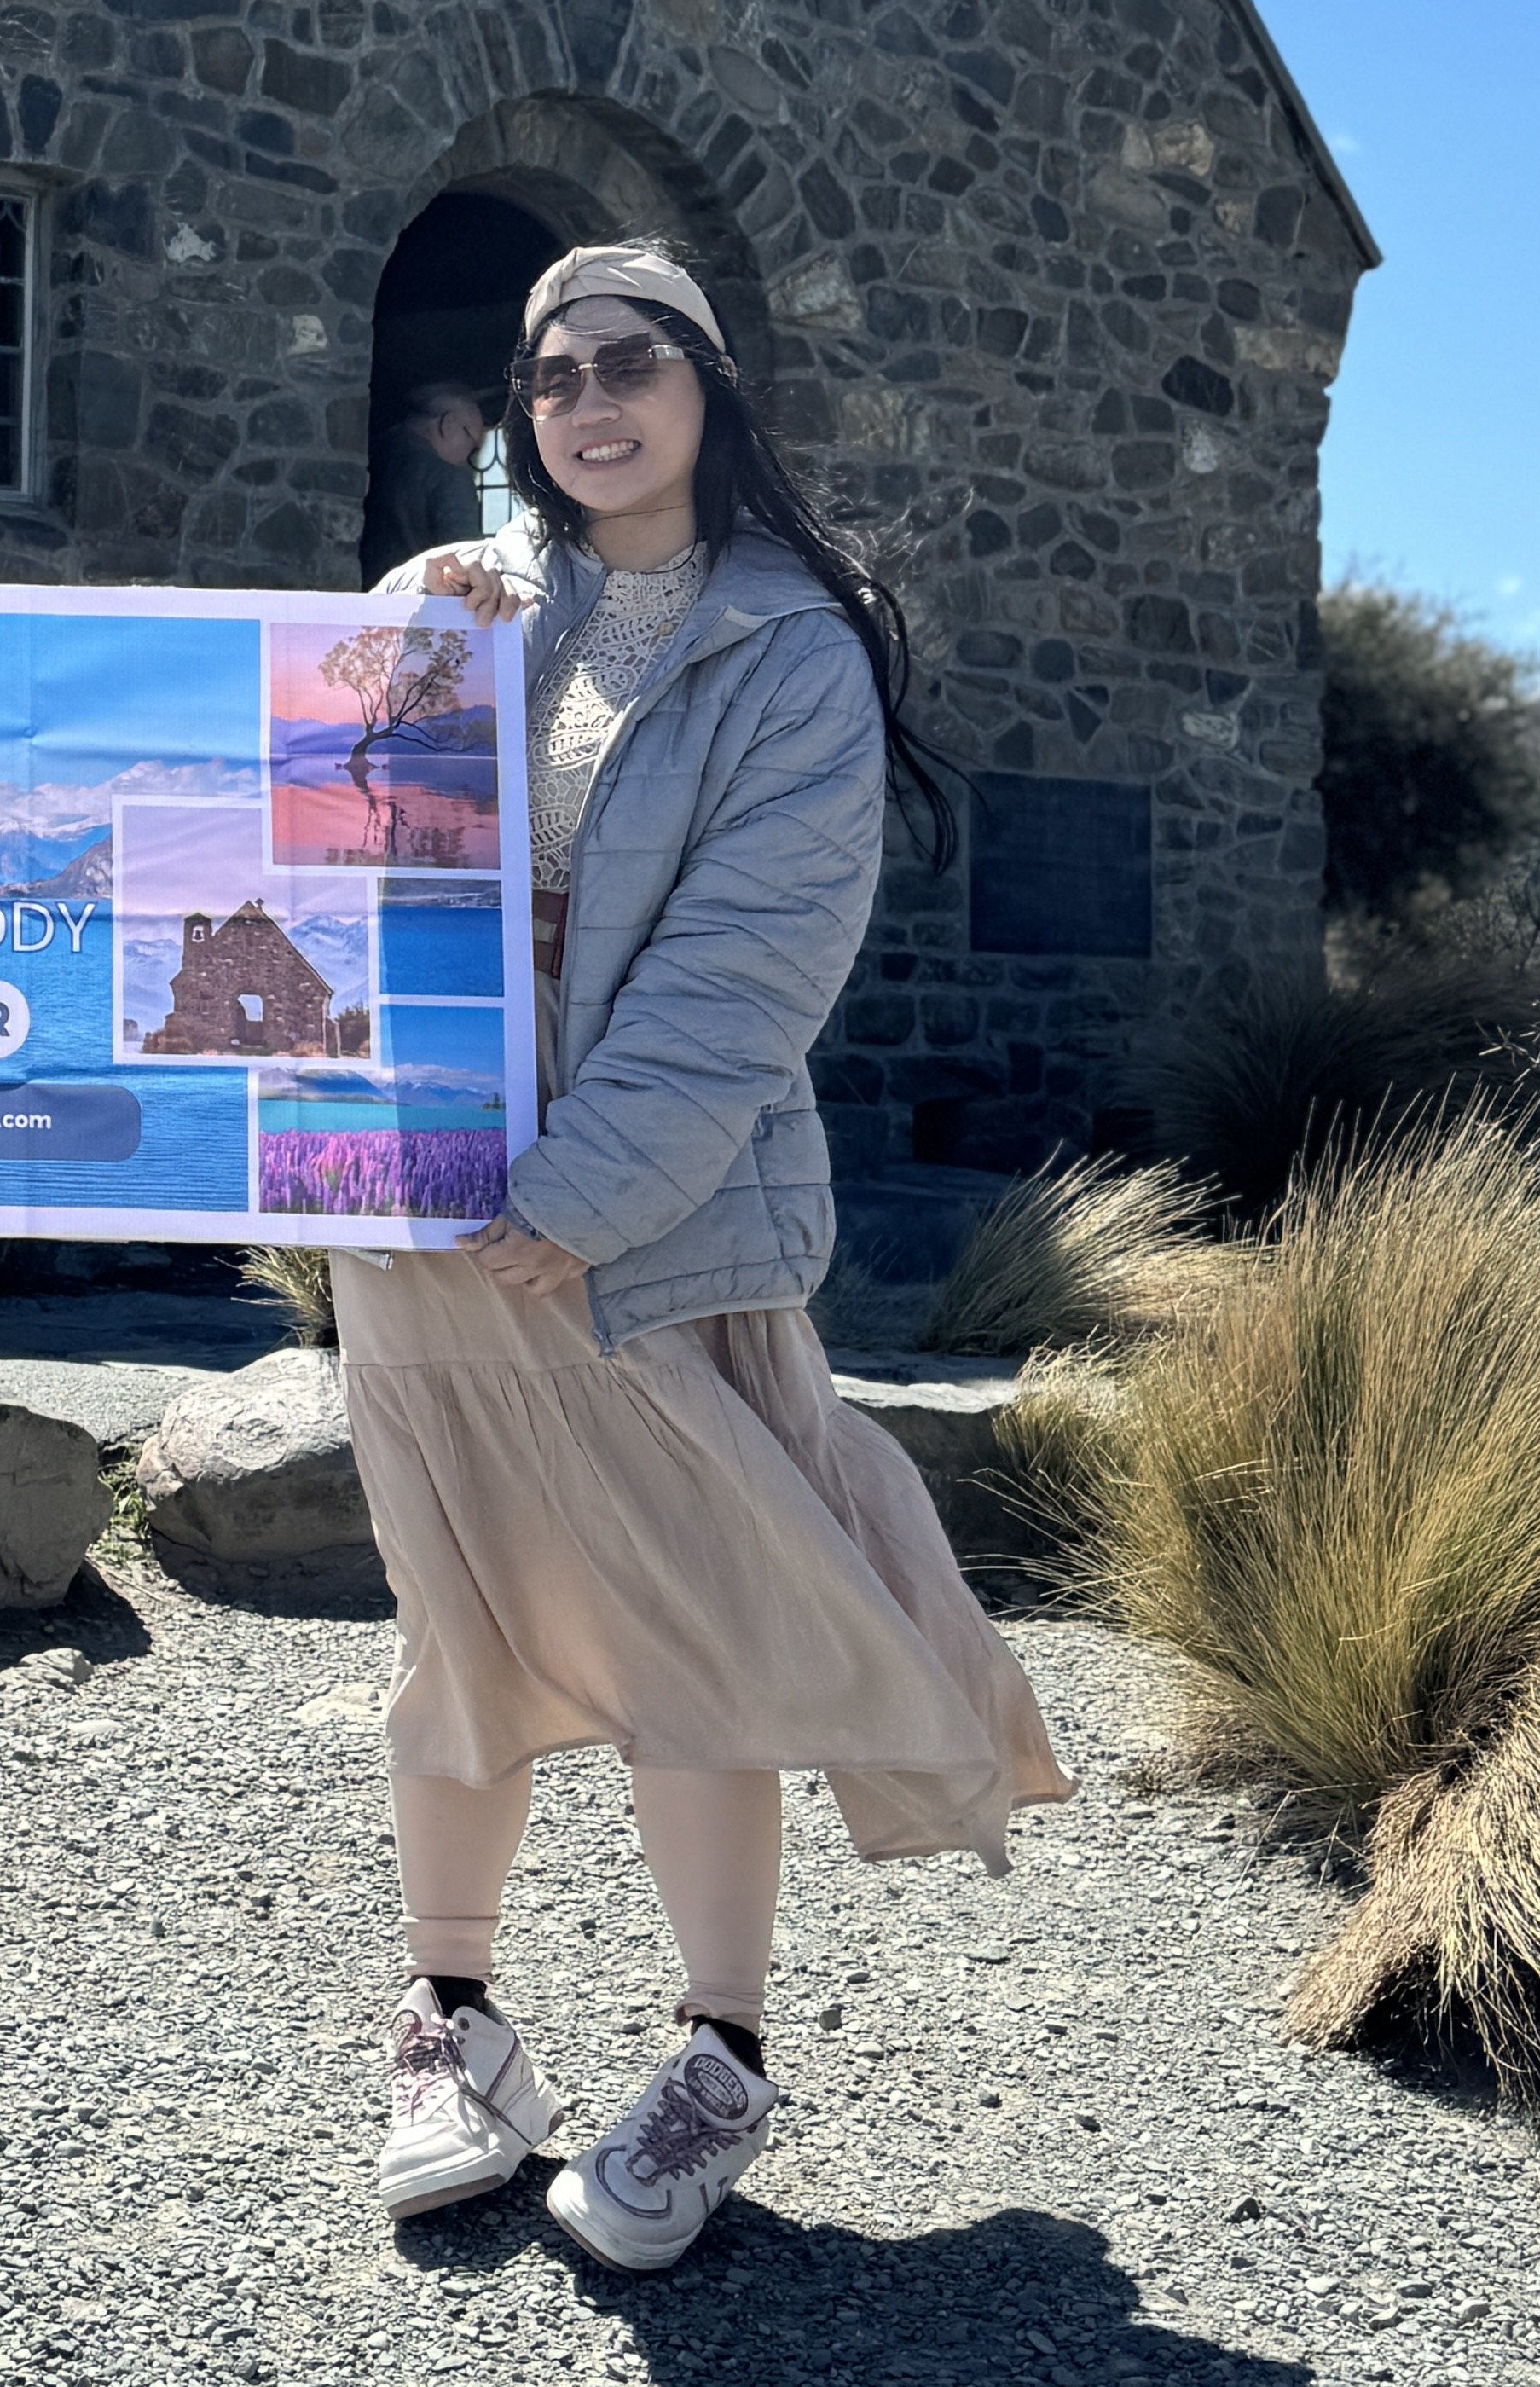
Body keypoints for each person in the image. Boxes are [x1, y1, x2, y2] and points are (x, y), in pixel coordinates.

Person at [341, 240, 1066, 2274]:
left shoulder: (789, 653)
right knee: (457, 1624)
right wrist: (403, 634)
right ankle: (459, 2025)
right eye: (553, 372)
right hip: (422, 1211)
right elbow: (324, 848)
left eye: (631, 363)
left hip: (634, 1228)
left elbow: (751, 970)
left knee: (699, 1635)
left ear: (709, 389)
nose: (589, 400)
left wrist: (579, 1193)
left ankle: (717, 2061)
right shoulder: (460, 607)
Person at [367, 378, 495, 573]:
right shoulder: (450, 480)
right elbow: (467, 562)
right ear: (449, 424)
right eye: (472, 446)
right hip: (421, 590)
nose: (468, 459)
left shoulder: (370, 456)